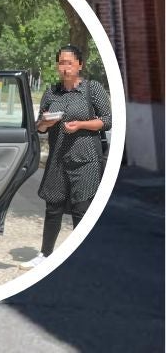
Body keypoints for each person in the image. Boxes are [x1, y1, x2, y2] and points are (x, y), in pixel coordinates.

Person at [20, 44, 112, 269]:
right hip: (58, 157)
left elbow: (108, 120)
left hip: (86, 159)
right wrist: (45, 123)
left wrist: (81, 124)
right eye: (61, 62)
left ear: (79, 64)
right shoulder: (52, 92)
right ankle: (45, 255)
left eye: (69, 62)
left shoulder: (92, 89)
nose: (65, 67)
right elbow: (39, 128)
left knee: (81, 210)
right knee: (53, 207)